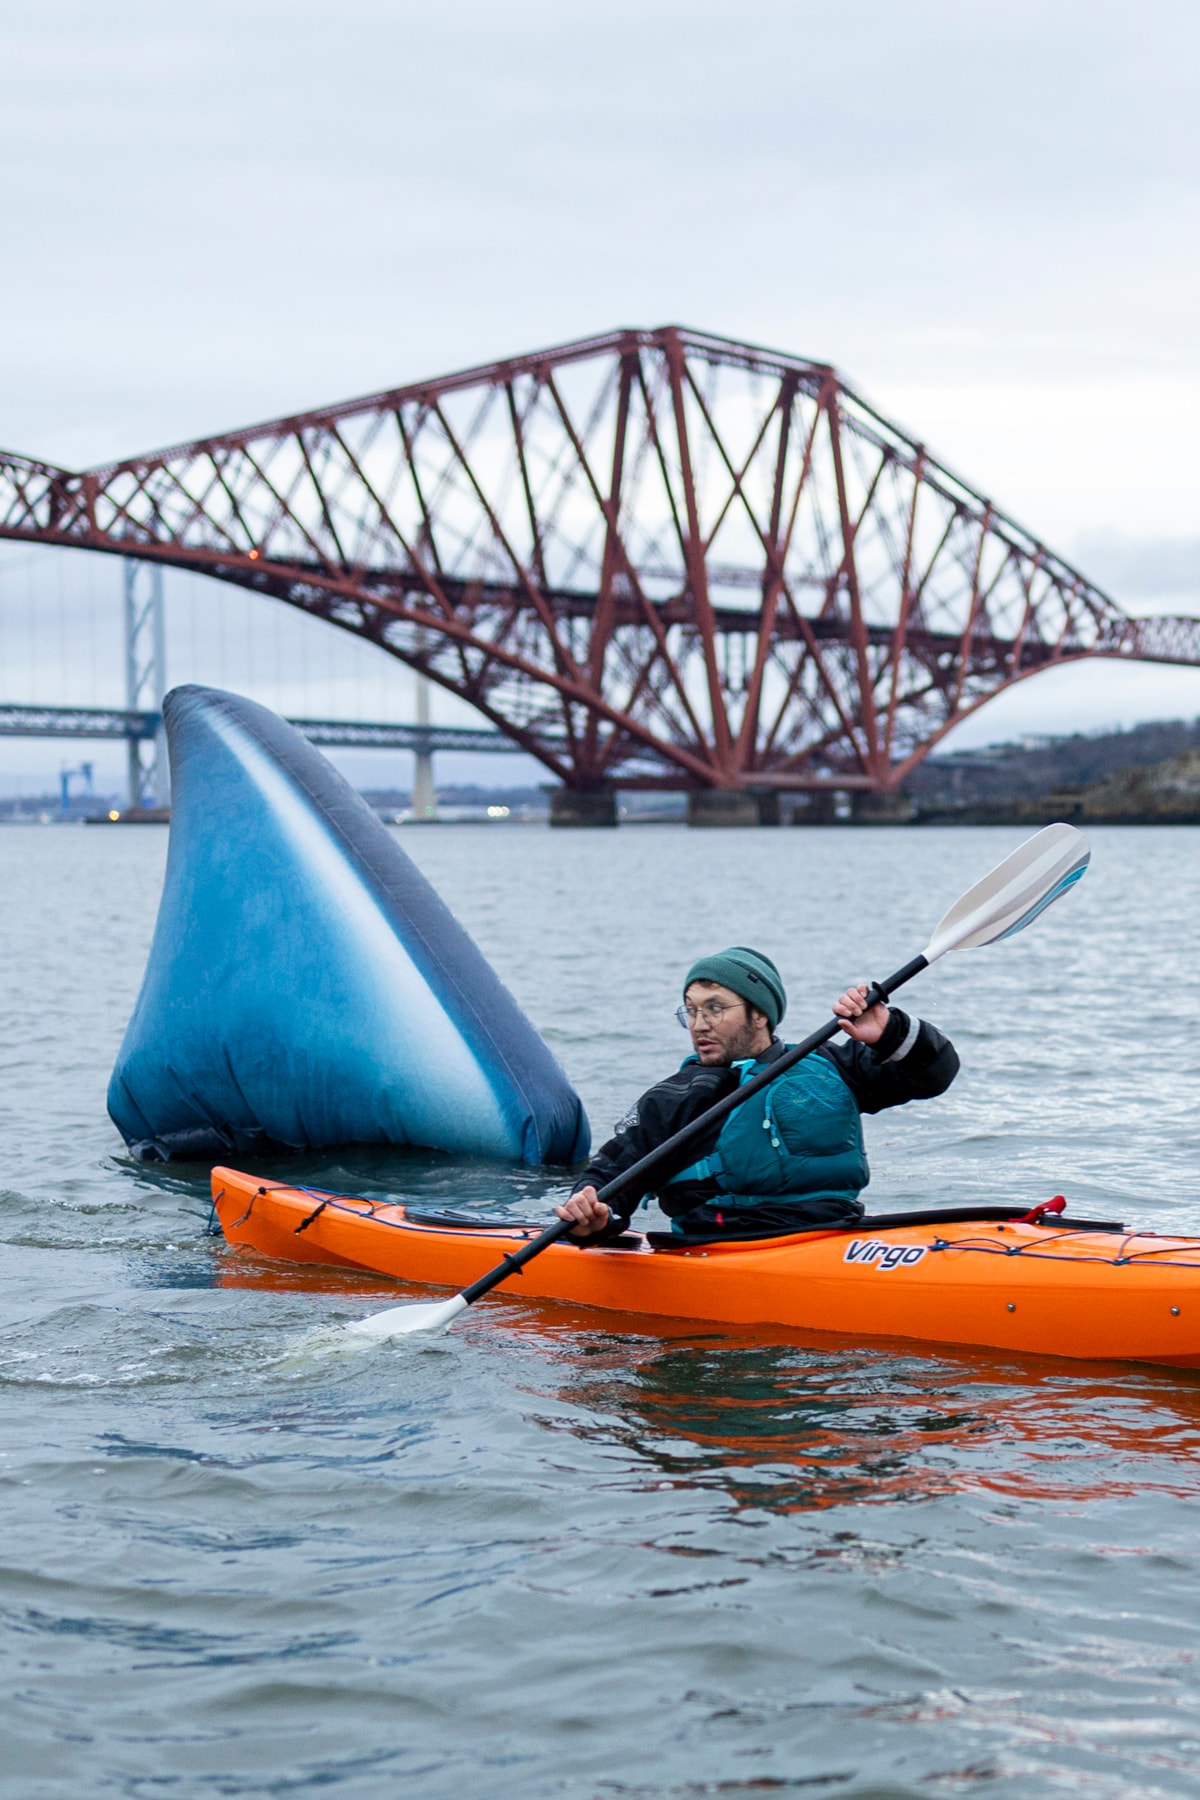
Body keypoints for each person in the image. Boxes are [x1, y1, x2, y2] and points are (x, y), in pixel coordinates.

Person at [555, 946, 959, 1243]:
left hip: (835, 1236)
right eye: (691, 1010)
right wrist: (591, 1216)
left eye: (715, 1008)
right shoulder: (676, 1098)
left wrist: (887, 1031)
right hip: (724, 1248)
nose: (699, 1024)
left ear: (760, 1014)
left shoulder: (836, 1064)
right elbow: (606, 1179)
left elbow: (936, 1073)